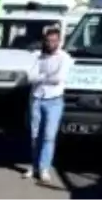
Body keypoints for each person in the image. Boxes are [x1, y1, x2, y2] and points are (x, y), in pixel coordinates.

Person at [23, 27, 72, 185]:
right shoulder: (38, 56)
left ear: (59, 41)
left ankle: (44, 168)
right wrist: (45, 76)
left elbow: (59, 78)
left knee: (49, 136)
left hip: (54, 100)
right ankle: (35, 166)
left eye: (54, 41)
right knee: (35, 135)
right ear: (44, 40)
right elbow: (30, 76)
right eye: (48, 41)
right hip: (37, 98)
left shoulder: (64, 57)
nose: (51, 44)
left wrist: (41, 77)